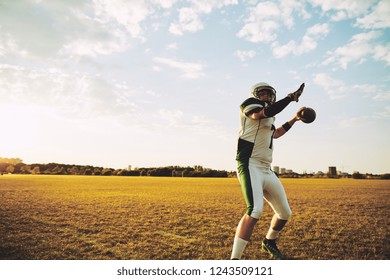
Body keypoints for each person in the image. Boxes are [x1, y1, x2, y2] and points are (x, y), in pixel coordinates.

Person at [231, 82, 305, 260]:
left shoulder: (271, 119)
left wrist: (294, 119)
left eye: (268, 94)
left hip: (266, 168)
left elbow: (276, 133)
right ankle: (234, 260)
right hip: (249, 164)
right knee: (255, 210)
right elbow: (261, 113)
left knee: (284, 213)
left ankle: (269, 242)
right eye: (261, 94)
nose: (265, 96)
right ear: (255, 95)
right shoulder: (248, 105)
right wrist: (290, 98)